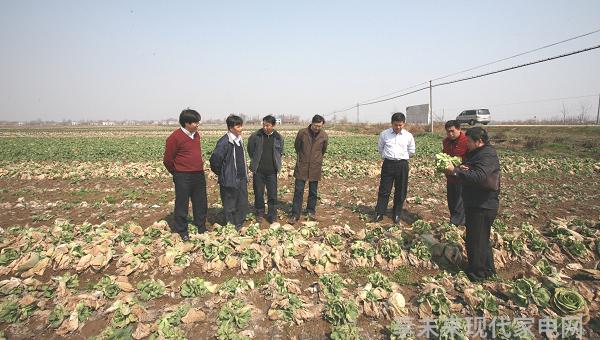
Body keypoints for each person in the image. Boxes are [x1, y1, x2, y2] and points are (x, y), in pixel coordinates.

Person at [445, 127, 500, 282]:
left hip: (483, 204)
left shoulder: (488, 154)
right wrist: (463, 167)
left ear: (479, 141)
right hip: (475, 202)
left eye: (469, 141)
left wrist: (455, 171)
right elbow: (474, 170)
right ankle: (488, 269)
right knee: (480, 239)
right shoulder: (478, 153)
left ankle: (478, 274)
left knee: (477, 241)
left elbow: (480, 176)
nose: (466, 143)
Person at [163, 109, 208, 241]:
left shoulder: (196, 135)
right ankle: (181, 230)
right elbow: (168, 160)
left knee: (201, 201)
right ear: (186, 123)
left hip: (198, 174)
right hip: (182, 175)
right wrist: (177, 172)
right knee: (182, 202)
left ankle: (201, 226)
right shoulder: (174, 137)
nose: (197, 125)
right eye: (195, 122)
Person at [374, 112, 416, 224]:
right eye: (396, 125)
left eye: (400, 125)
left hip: (402, 165)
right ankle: (380, 212)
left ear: (404, 124)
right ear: (392, 123)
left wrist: (401, 158)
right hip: (388, 164)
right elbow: (380, 148)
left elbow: (411, 151)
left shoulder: (408, 136)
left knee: (400, 190)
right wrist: (388, 157)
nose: (398, 127)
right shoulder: (384, 134)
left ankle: (397, 213)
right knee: (384, 189)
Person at [209, 115, 249, 229]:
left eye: (241, 125)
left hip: (241, 177)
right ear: (231, 128)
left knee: (241, 202)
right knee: (230, 204)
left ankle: (239, 224)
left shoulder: (239, 140)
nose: (241, 128)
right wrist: (224, 173)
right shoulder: (224, 142)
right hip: (229, 179)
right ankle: (231, 225)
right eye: (238, 126)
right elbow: (215, 160)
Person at [289, 114, 328, 224]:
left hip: (315, 166)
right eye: (316, 125)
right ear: (312, 123)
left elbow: (323, 150)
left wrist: (316, 159)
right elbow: (297, 146)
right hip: (302, 165)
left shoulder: (324, 135)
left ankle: (311, 211)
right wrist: (303, 157)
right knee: (298, 191)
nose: (317, 128)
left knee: (313, 191)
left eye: (320, 126)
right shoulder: (302, 133)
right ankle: (295, 214)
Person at [247, 115, 284, 224]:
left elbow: (279, 152)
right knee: (258, 192)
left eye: (267, 125)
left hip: (272, 171)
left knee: (272, 194)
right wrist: (255, 161)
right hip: (258, 170)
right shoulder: (256, 136)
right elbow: (250, 150)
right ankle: (259, 213)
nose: (265, 127)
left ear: (273, 125)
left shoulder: (278, 137)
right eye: (263, 125)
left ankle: (272, 215)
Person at [442, 120, 468, 226]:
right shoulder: (446, 142)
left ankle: (457, 225)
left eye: (452, 131)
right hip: (450, 177)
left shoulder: (466, 141)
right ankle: (455, 221)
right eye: (448, 132)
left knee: (460, 203)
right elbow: (444, 155)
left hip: (463, 178)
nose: (450, 134)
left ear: (459, 129)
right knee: (452, 202)